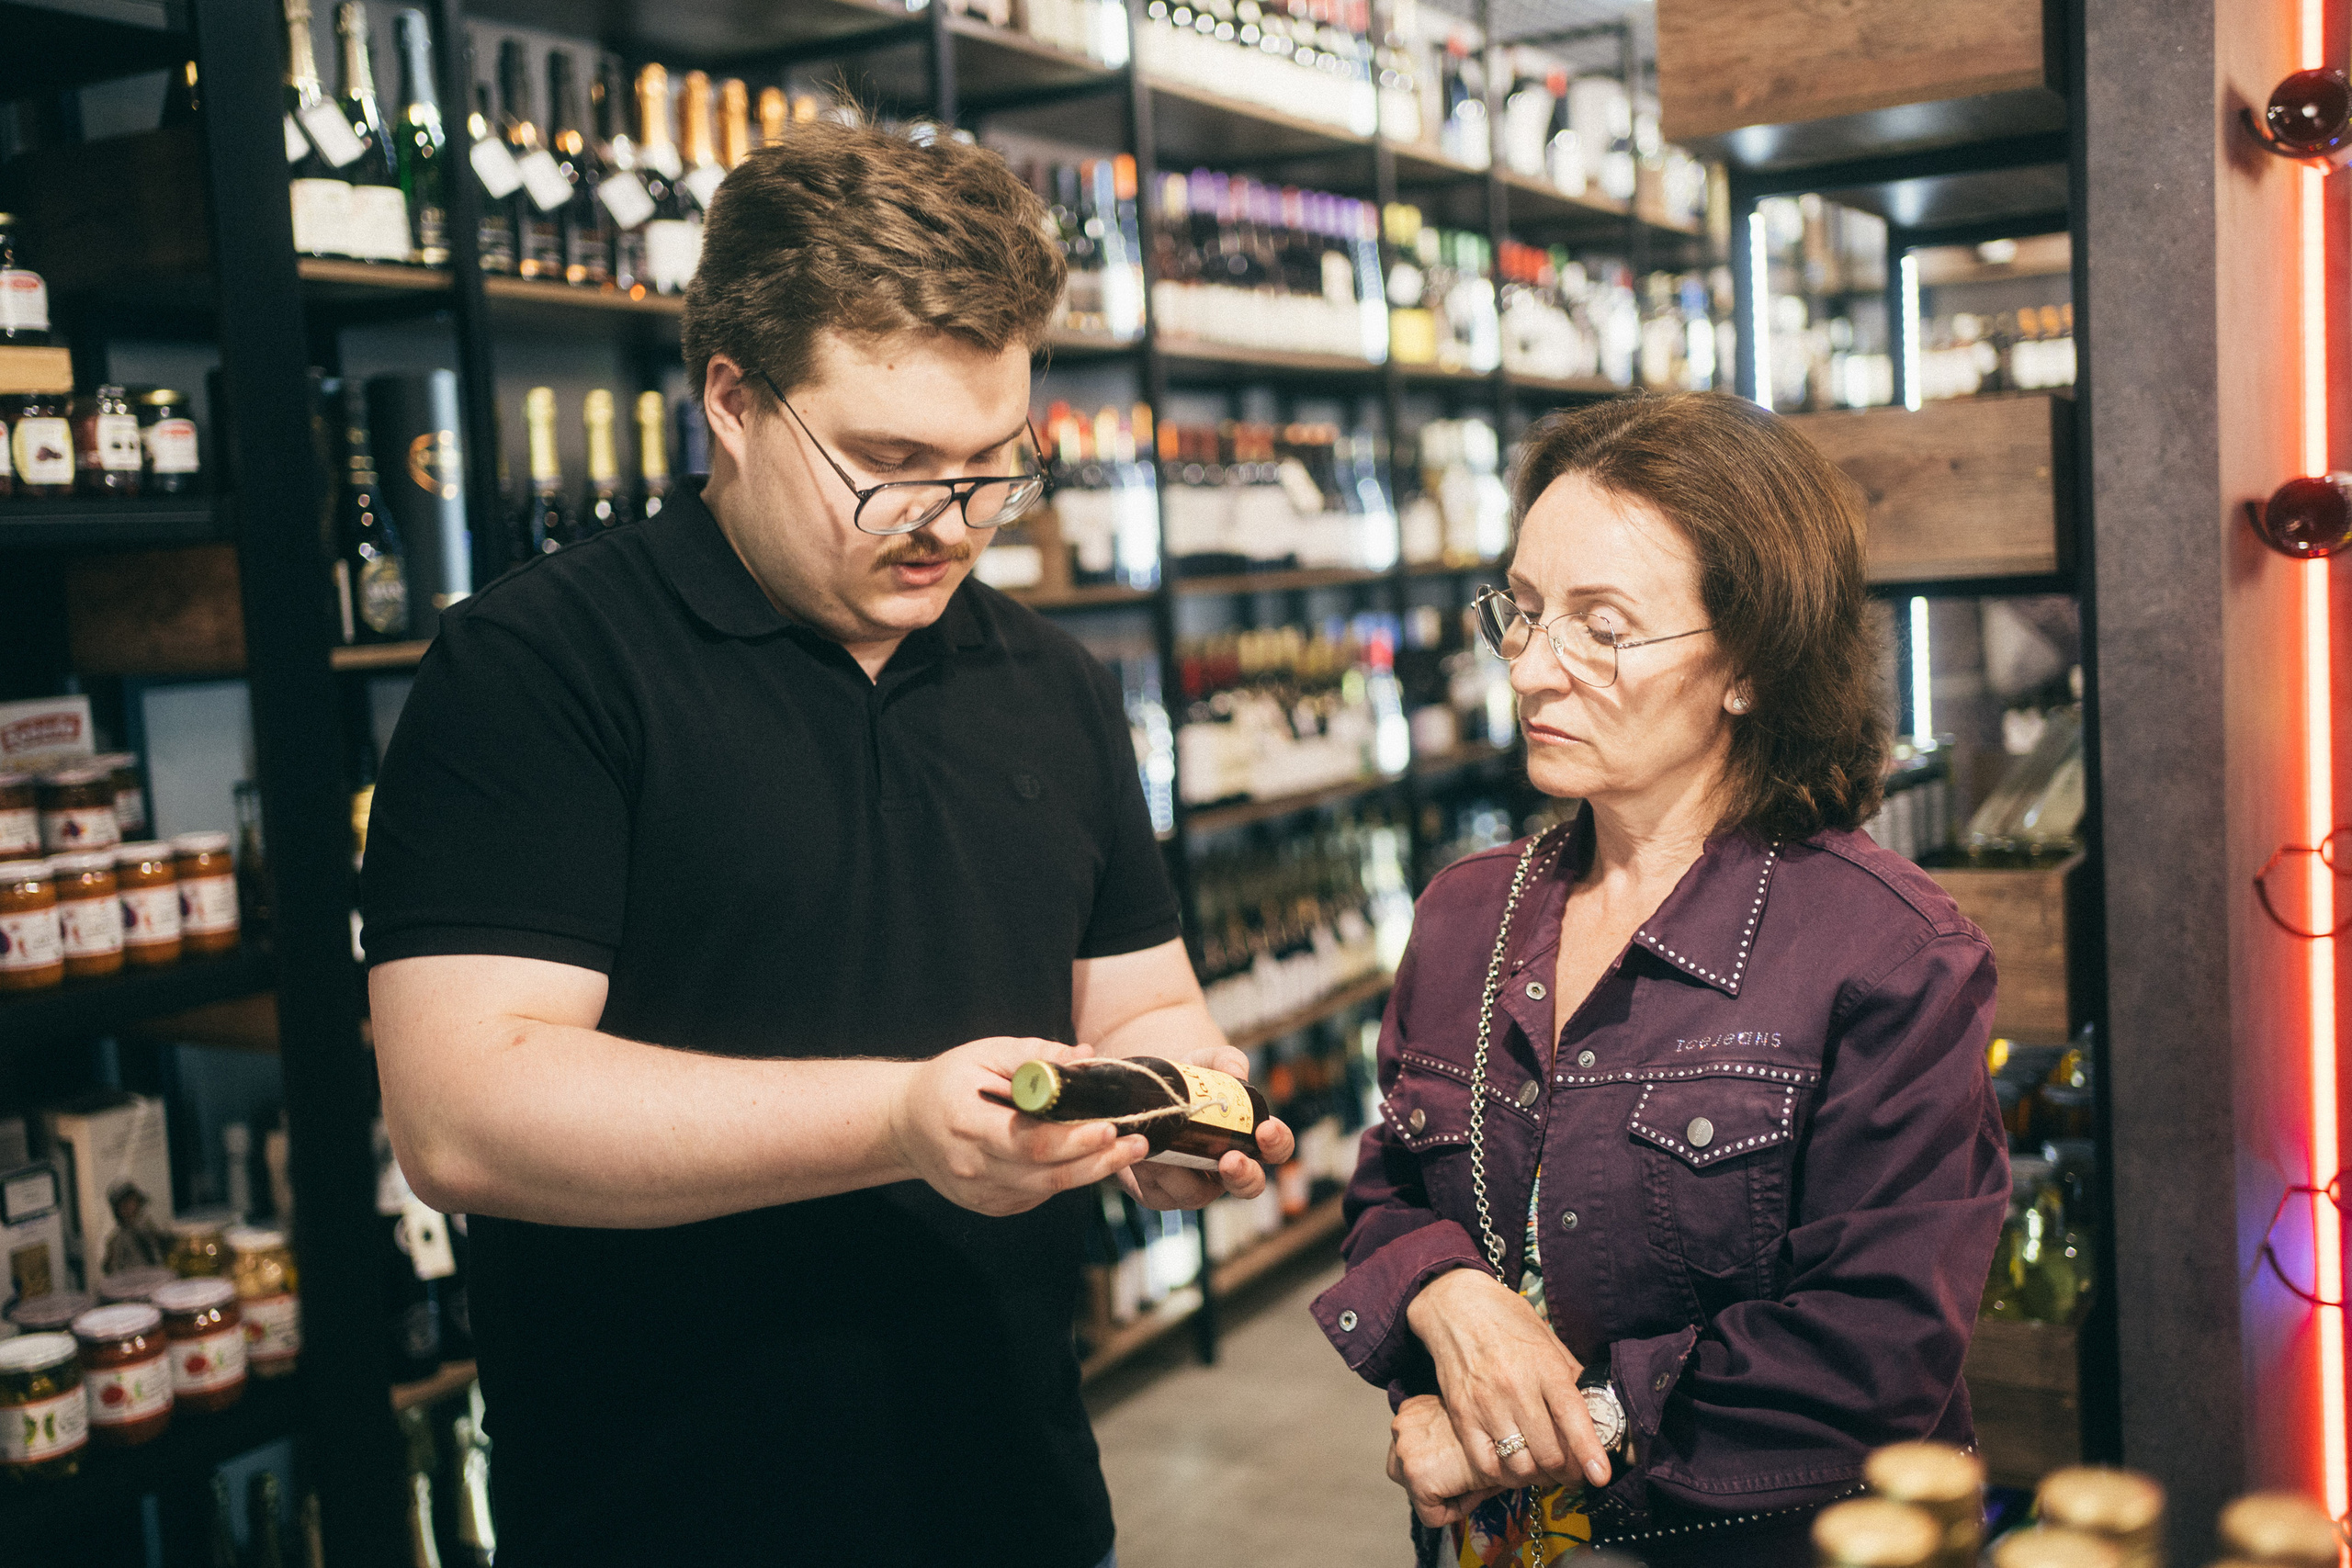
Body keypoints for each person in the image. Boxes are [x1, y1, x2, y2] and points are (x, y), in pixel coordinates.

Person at [363, 119, 1289, 1568]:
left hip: (1022, 1499)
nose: (947, 521)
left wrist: (1173, 1109)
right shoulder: (539, 668)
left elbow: (1141, 999)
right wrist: (898, 1119)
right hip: (664, 1517)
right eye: (888, 460)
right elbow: (463, 1113)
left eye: (992, 463)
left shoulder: (1051, 679)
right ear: (733, 400)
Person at [1313, 393, 2008, 1567]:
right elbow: (1392, 1191)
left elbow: (1876, 1351)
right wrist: (1444, 1297)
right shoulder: (1466, 913)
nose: (1532, 670)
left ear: (1748, 665)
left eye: (1602, 628)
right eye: (1523, 611)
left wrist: (1536, 1431)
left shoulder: (1890, 953)